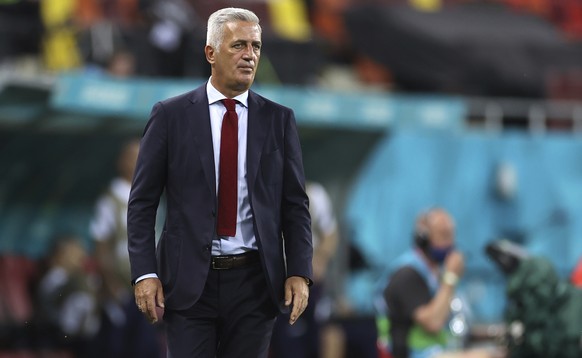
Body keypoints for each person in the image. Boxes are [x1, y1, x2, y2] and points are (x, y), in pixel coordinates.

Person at [127, 7, 313, 358]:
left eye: (256, 47)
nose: (249, 55)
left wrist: (300, 271)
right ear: (210, 53)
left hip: (255, 284)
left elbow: (295, 205)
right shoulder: (170, 116)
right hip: (188, 283)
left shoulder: (279, 120)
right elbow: (141, 203)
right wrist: (144, 272)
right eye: (238, 45)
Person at [382, 208, 489, 358]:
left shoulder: (434, 276)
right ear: (423, 238)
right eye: (444, 235)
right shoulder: (407, 275)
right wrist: (451, 277)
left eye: (452, 235)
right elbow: (433, 322)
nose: (451, 243)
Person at [90, 139, 162, 358]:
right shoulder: (110, 200)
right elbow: (101, 244)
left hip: (147, 281)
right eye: (133, 157)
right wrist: (109, 282)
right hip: (121, 285)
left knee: (146, 343)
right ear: (122, 162)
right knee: (119, 345)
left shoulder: (153, 194)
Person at [270, 181, 339, 358]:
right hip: (280, 279)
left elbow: (330, 234)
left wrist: (320, 259)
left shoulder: (315, 194)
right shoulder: (269, 192)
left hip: (310, 278)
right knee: (283, 338)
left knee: (326, 330)